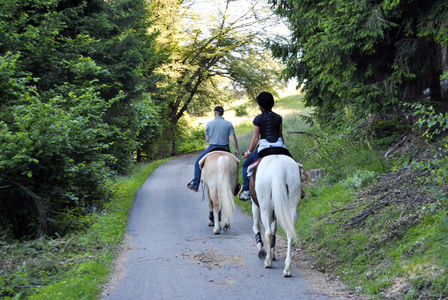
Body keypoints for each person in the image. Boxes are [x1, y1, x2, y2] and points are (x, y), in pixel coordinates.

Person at [239, 91, 289, 201]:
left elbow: (256, 138)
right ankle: (298, 189)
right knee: (294, 164)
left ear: (260, 105)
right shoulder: (278, 118)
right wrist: (284, 148)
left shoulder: (258, 119)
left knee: (246, 166)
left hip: (264, 148)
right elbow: (280, 135)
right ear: (272, 103)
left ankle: (246, 191)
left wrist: (249, 152)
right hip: (279, 146)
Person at [187, 106, 240, 192]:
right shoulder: (229, 123)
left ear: (215, 113)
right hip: (225, 148)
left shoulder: (209, 124)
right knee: (235, 163)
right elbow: (233, 138)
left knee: (197, 163)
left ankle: (195, 184)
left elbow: (207, 140)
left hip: (212, 148)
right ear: (222, 113)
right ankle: (236, 186)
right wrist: (236, 149)